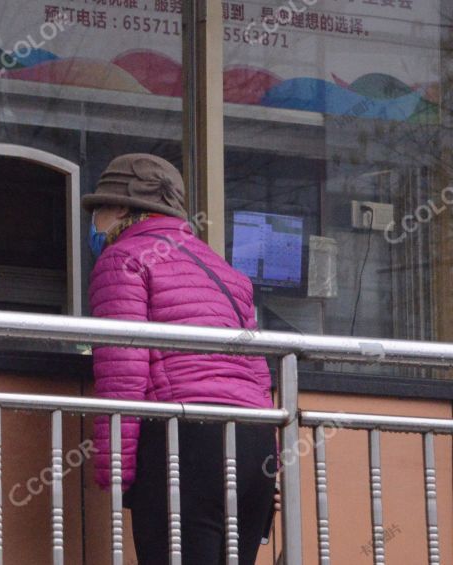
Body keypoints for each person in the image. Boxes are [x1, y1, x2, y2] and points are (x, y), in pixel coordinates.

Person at [83, 154, 276, 564]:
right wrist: (271, 463)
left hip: (186, 440)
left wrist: (116, 472)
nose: (94, 222)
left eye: (97, 209)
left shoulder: (122, 258)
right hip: (254, 444)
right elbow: (259, 375)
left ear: (121, 209)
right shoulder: (223, 270)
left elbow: (124, 370)